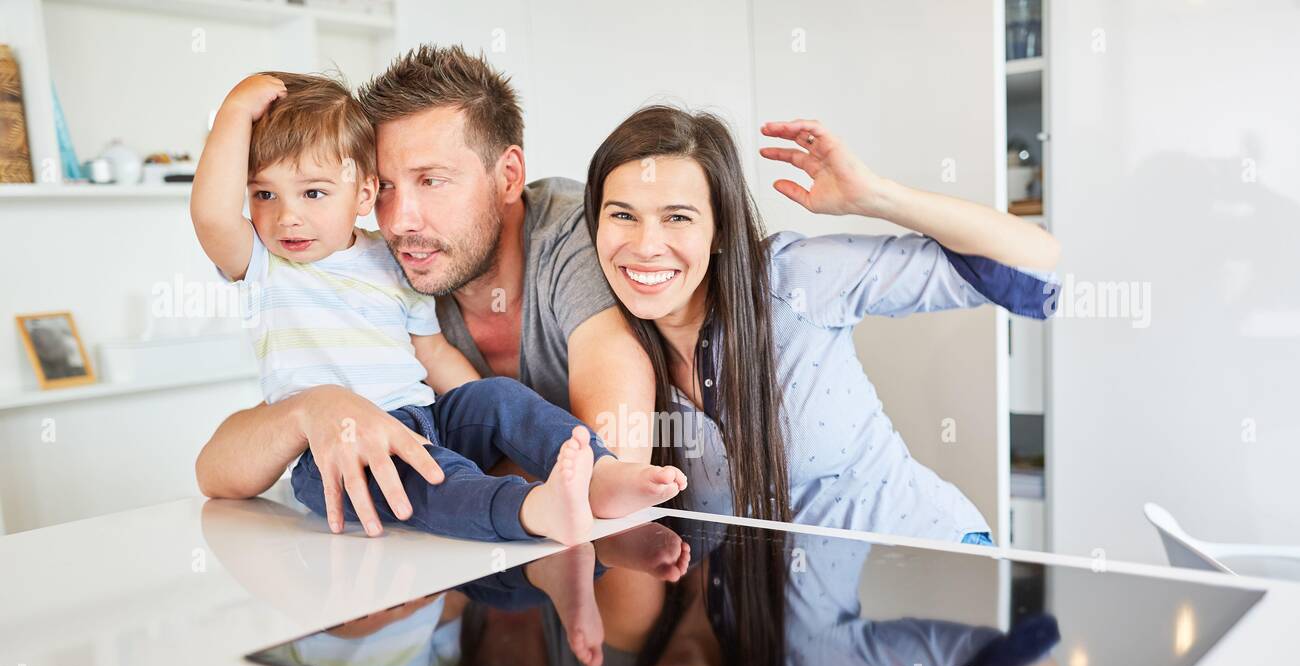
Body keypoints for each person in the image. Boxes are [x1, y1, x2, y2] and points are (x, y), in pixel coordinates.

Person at [191, 71, 684, 544]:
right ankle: (529, 510)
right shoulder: (272, 264)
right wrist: (233, 112)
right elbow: (212, 214)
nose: (402, 220)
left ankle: (603, 472)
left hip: (430, 418)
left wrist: (491, 420)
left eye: (432, 180)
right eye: (387, 185)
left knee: (499, 400)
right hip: (356, 459)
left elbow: (434, 353)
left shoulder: (388, 260)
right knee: (430, 479)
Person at [585, 106, 1062, 543]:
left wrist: (875, 196)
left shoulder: (794, 278)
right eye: (623, 215)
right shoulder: (607, 352)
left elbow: (1034, 266)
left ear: (720, 231)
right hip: (789, 628)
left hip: (933, 568)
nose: (646, 245)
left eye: (677, 217)